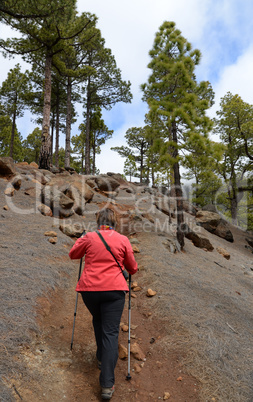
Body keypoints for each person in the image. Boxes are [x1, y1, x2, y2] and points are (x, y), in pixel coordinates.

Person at [69, 208, 138, 400]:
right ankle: (107, 384)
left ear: (98, 221)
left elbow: (73, 254)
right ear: (115, 222)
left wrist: (81, 238)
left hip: (89, 291)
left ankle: (101, 356)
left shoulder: (89, 237)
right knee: (110, 331)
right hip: (114, 291)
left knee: (98, 320)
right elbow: (133, 268)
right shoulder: (123, 239)